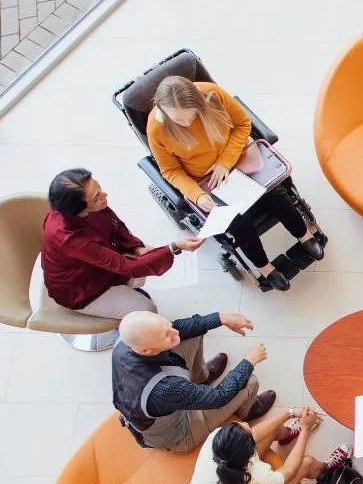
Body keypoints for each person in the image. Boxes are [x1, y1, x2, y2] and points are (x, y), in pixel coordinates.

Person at [147, 75, 326, 292]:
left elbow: (242, 125)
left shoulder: (212, 94)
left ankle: (304, 235)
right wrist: (197, 195)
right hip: (207, 182)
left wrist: (225, 162)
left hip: (239, 161)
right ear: (163, 110)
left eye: (192, 116)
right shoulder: (157, 129)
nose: (187, 123)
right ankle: (265, 268)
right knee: (237, 224)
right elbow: (170, 170)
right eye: (179, 120)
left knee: (275, 194)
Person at [111, 309, 278, 453]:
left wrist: (222, 318)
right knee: (250, 382)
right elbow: (219, 397)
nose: (174, 332)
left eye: (167, 325)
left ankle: (201, 378)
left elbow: (180, 327)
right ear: (145, 350)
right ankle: (246, 413)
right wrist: (249, 361)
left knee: (193, 332)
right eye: (165, 335)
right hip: (180, 432)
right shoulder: (165, 389)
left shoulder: (124, 343)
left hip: (168, 400)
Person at [41, 168, 199, 318]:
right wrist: (174, 247)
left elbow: (114, 223)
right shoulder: (71, 238)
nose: (105, 195)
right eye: (97, 198)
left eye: (100, 189)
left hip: (96, 264)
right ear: (78, 209)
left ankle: (126, 292)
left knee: (149, 255)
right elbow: (128, 266)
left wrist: (136, 247)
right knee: (147, 309)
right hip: (81, 288)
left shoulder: (82, 208)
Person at [189, 408, 327, 484]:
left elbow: (254, 433)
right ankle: (327, 470)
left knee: (274, 428)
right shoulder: (259, 480)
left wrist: (290, 413)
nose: (247, 424)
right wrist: (306, 428)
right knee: (307, 463)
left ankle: (287, 436)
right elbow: (289, 470)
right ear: (249, 455)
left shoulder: (217, 438)